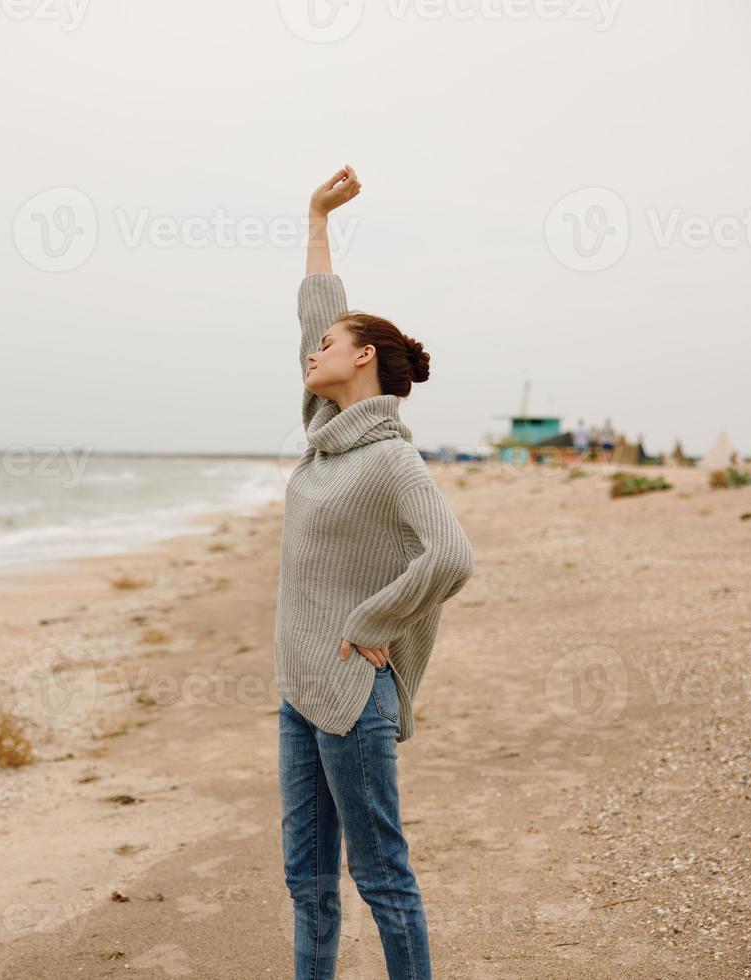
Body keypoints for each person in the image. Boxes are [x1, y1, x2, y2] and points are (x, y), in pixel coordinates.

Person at [276, 165, 476, 980]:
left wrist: (371, 625)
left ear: (364, 359)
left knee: (381, 876)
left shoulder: (394, 460)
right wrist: (318, 217)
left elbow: (453, 555)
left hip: (354, 696)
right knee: (307, 881)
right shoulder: (329, 429)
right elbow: (317, 312)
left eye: (329, 346)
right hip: (299, 688)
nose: (312, 352)